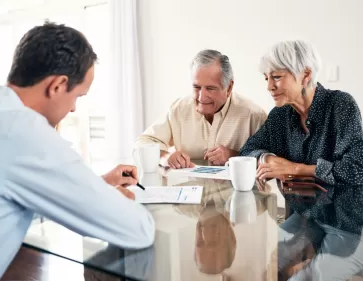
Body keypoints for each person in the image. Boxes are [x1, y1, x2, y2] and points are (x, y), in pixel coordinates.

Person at [0, 23, 155, 281]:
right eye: (78, 96)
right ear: (57, 85)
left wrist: (97, 185)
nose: (75, 109)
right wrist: (113, 201)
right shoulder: (26, 133)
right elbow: (138, 229)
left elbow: (11, 200)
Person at [239, 40, 363, 280]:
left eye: (276, 77)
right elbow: (248, 150)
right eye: (266, 78)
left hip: (350, 226)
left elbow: (357, 170)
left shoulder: (341, 106)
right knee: (259, 261)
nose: (269, 87)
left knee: (304, 279)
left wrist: (295, 169)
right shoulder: (281, 115)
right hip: (309, 218)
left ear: (305, 74)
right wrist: (269, 159)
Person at [136, 49, 266, 169]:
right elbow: (143, 142)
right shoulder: (179, 109)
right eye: (196, 87)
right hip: (189, 190)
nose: (201, 97)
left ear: (229, 87)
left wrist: (234, 156)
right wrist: (165, 156)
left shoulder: (254, 116)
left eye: (210, 88)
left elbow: (271, 161)